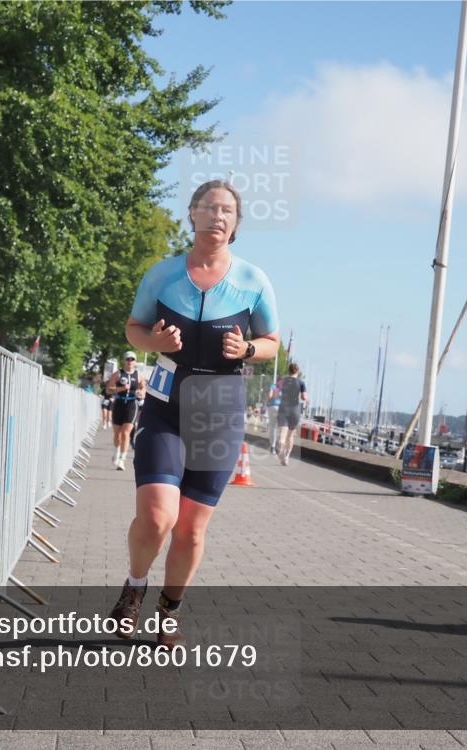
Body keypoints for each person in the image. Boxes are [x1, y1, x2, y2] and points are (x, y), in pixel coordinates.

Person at [108, 180, 279, 649]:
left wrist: (246, 347)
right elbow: (133, 328)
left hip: (218, 414)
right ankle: (133, 589)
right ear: (192, 214)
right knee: (158, 516)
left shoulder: (252, 280)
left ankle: (169, 611)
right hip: (166, 407)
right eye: (209, 208)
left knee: (190, 528)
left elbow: (272, 343)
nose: (217, 217)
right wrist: (154, 343)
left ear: (236, 223)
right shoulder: (162, 274)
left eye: (227, 211)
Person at [107, 352, 145, 470]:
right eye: (128, 359)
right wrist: (121, 388)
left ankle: (122, 460)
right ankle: (116, 451)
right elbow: (108, 390)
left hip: (132, 404)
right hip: (119, 404)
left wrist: (141, 393)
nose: (130, 362)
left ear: (135, 361)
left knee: (125, 432)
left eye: (132, 359)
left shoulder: (139, 375)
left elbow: (143, 388)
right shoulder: (117, 374)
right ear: (124, 361)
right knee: (117, 433)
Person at [276, 363, 307, 466]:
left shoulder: (282, 381)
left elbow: (276, 394)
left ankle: (281, 452)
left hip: (283, 408)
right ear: (297, 372)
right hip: (295, 410)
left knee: (282, 435)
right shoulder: (301, 383)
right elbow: (303, 397)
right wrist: (307, 400)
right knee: (290, 435)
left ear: (289, 371)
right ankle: (287, 456)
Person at [266, 378, 282, 453]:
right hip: (282, 408)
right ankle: (280, 446)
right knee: (281, 428)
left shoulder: (273, 386)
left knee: (273, 427)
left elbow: (269, 396)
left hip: (273, 406)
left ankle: (272, 447)